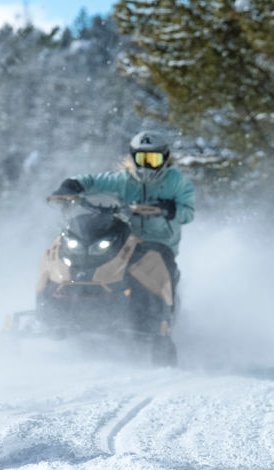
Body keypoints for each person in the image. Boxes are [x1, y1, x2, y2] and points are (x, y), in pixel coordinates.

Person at [51, 130, 195, 354]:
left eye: (153, 160)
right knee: (80, 256)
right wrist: (72, 186)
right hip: (126, 238)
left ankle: (162, 319)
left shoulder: (177, 182)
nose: (146, 166)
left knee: (157, 266)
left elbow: (188, 213)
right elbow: (92, 181)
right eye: (141, 159)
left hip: (159, 241)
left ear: (165, 159)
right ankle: (65, 305)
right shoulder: (123, 180)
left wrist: (169, 209)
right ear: (132, 157)